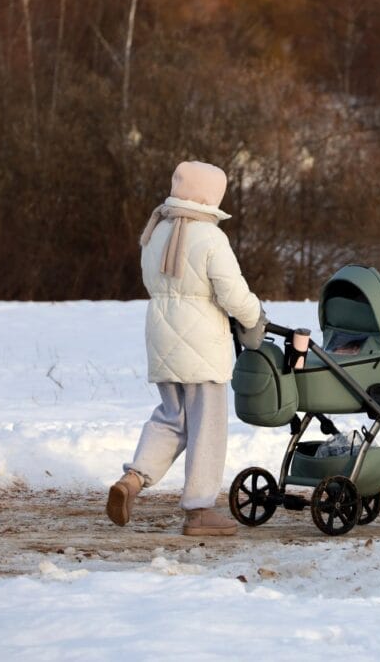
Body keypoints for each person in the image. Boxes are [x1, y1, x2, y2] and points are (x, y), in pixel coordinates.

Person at [106, 160, 266, 536]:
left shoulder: (156, 230)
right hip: (202, 346)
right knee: (207, 427)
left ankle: (132, 479)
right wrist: (255, 315)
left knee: (171, 417)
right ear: (210, 196)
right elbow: (232, 293)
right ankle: (198, 511)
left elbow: (153, 282)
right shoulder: (210, 237)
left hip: (162, 339)